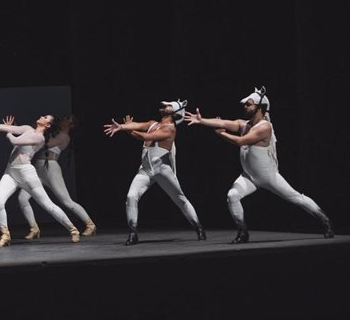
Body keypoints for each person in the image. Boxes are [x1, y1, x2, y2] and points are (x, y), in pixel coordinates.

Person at [184, 86, 334, 243]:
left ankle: (326, 221)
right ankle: (243, 232)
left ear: (260, 107)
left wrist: (221, 134)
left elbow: (241, 141)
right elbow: (224, 122)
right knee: (232, 196)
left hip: (268, 176)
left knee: (297, 198)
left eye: (249, 104)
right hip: (249, 176)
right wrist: (201, 121)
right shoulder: (245, 124)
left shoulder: (264, 127)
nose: (245, 106)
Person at [104, 99, 206, 245]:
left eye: (169, 106)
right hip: (145, 169)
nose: (164, 106)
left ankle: (199, 228)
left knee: (180, 199)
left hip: (162, 169)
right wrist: (122, 126)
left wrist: (124, 128)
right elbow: (138, 125)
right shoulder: (153, 123)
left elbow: (146, 137)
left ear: (175, 113)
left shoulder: (170, 129)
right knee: (131, 196)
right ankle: (133, 233)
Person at [0, 114, 81, 247]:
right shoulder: (28, 129)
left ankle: (73, 229)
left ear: (47, 125)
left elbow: (14, 141)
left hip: (26, 174)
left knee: (48, 205)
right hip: (10, 172)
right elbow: (11, 129)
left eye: (45, 117)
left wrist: (8, 130)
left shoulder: (39, 138)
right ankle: (5, 235)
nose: (41, 116)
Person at [17, 115, 96, 239]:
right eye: (64, 119)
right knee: (22, 198)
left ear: (71, 126)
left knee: (66, 201)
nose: (64, 121)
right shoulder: (54, 132)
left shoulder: (64, 136)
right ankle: (34, 228)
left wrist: (36, 132)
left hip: (51, 168)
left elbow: (45, 144)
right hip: (37, 168)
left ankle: (90, 224)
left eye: (67, 120)